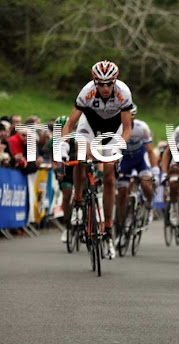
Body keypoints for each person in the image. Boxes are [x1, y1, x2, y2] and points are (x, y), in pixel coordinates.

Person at [61, 60, 133, 259]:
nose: (105, 88)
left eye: (109, 83)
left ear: (114, 81)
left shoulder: (123, 93)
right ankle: (77, 202)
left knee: (109, 177)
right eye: (100, 84)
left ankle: (108, 230)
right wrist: (65, 147)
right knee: (81, 154)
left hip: (113, 129)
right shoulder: (86, 92)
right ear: (94, 82)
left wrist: (119, 147)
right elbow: (69, 125)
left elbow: (127, 129)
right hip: (89, 125)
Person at [116, 104, 159, 236]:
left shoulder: (142, 128)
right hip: (124, 160)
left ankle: (149, 205)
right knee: (122, 192)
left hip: (140, 160)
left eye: (131, 116)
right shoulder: (116, 128)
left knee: (146, 183)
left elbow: (150, 150)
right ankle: (120, 221)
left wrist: (155, 170)